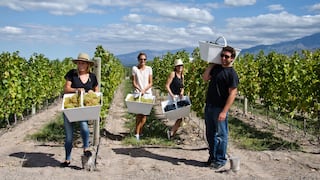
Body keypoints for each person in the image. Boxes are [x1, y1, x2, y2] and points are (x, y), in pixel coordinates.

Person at [202, 46, 239, 169]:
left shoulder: (232, 74)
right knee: (210, 133)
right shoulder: (216, 69)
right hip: (209, 106)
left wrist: (224, 111)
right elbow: (205, 78)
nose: (223, 58)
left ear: (232, 58)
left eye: (227, 56)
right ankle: (212, 157)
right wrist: (211, 64)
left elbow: (233, 93)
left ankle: (220, 160)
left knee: (221, 136)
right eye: (222, 55)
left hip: (219, 108)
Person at [61, 52, 99, 167]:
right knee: (68, 136)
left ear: (88, 65)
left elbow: (96, 91)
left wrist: (92, 93)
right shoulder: (72, 74)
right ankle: (67, 159)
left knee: (84, 125)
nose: (80, 65)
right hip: (70, 107)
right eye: (79, 63)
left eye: (83, 63)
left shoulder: (92, 77)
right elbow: (66, 88)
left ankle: (86, 148)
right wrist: (76, 90)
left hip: (83, 107)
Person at [131, 52, 153, 140]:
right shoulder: (134, 69)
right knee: (138, 114)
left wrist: (144, 90)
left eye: (144, 59)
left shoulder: (149, 69)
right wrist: (140, 90)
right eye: (141, 59)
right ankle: (137, 133)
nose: (142, 61)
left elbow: (151, 82)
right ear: (138, 60)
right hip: (138, 93)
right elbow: (134, 82)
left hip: (147, 93)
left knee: (144, 115)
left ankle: (139, 131)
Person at [165, 58, 185, 139]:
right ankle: (171, 133)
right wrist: (172, 95)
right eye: (178, 66)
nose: (180, 67)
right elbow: (167, 85)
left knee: (181, 117)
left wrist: (182, 93)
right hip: (172, 97)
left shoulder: (182, 76)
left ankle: (171, 133)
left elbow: (182, 87)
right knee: (177, 116)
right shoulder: (172, 74)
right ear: (175, 67)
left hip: (178, 97)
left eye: (181, 65)